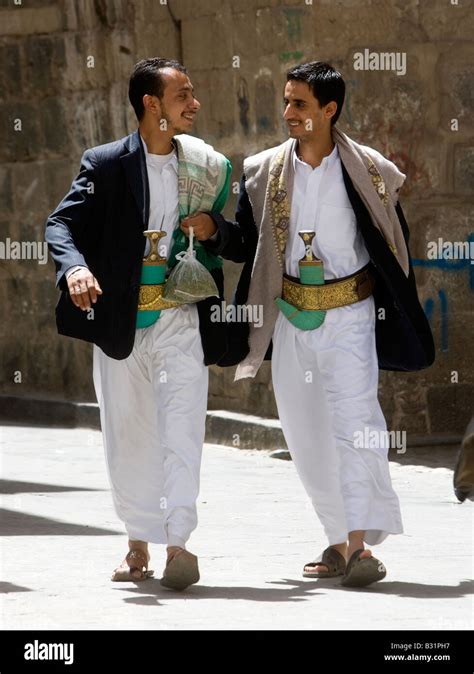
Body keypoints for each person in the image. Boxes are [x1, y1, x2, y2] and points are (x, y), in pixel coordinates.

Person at [206, 61, 435, 587]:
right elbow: (249, 241)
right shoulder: (263, 170)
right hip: (290, 319)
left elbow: (393, 248)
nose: (288, 113)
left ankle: (360, 548)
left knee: (356, 424)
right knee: (305, 433)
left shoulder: (372, 170)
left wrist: (395, 317)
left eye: (300, 104)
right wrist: (216, 233)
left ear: (330, 110)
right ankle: (336, 541)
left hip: (351, 315)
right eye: (286, 102)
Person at [45, 57, 234, 590]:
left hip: (180, 317)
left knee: (182, 427)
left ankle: (179, 544)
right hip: (121, 323)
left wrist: (215, 227)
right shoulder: (105, 165)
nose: (194, 104)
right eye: (183, 95)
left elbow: (235, 236)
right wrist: (75, 268)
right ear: (151, 105)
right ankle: (137, 543)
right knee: (128, 434)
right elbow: (61, 222)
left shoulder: (204, 167)